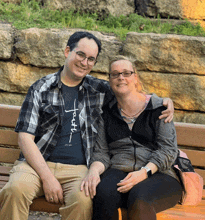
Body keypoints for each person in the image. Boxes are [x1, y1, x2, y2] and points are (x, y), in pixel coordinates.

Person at [0, 32, 174, 220]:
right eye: (80, 55)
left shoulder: (98, 89)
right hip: (37, 165)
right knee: (14, 190)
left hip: (78, 169)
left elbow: (127, 88)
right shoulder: (41, 88)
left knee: (83, 201)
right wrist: (47, 177)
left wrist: (161, 101)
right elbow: (24, 138)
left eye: (91, 59)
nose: (85, 62)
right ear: (67, 51)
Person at [81, 55, 183, 220]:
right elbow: (101, 153)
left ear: (135, 77)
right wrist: (93, 171)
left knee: (139, 198)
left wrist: (143, 172)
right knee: (103, 193)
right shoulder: (106, 113)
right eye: (115, 74)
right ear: (110, 80)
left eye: (126, 73)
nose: (121, 77)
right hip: (119, 169)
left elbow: (168, 150)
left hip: (159, 173)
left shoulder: (158, 109)